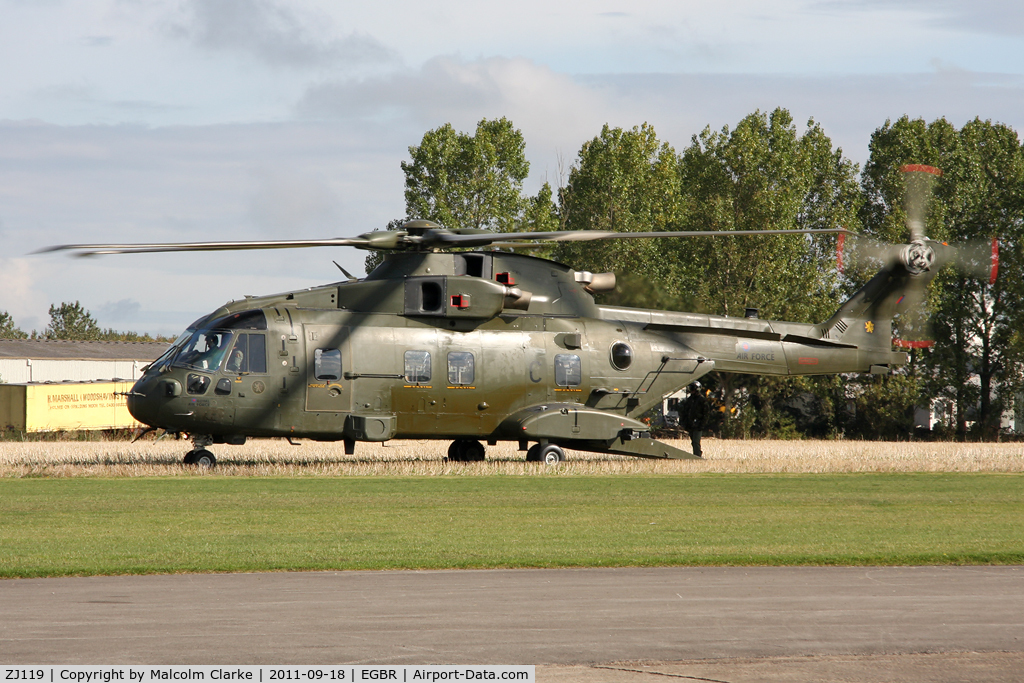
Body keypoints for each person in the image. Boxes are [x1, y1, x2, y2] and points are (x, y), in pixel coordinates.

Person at [680, 383, 709, 458]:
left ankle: (697, 456)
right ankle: (696, 455)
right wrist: (684, 422)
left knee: (696, 442)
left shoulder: (702, 400)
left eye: (692, 389)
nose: (691, 391)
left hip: (698, 424)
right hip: (690, 424)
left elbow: (706, 413)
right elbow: (685, 411)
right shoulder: (690, 399)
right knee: (693, 442)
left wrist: (702, 424)